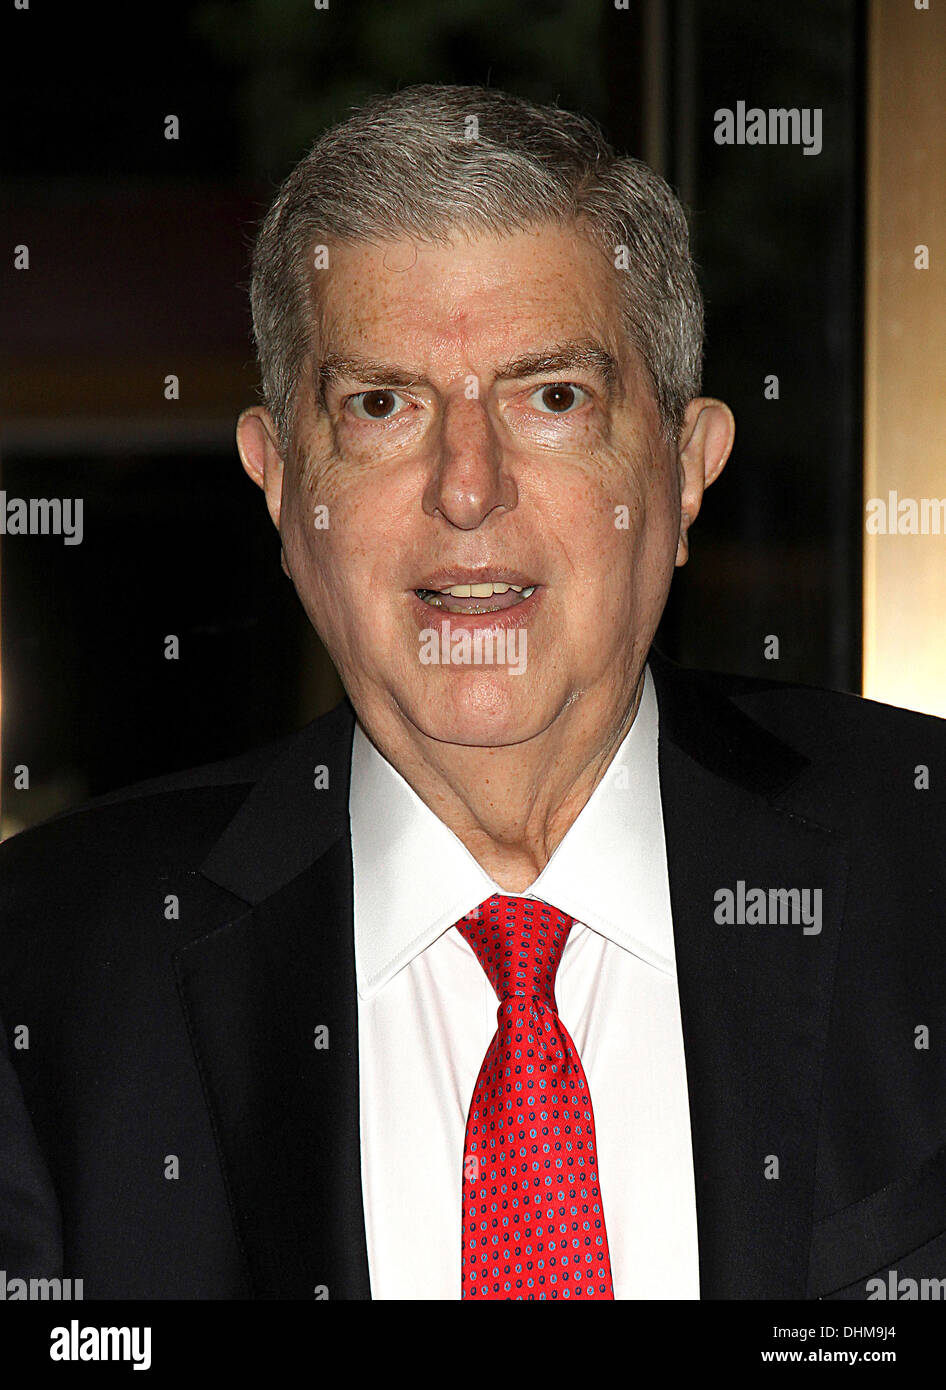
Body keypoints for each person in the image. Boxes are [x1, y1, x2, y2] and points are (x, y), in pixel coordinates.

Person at [1, 83, 944, 1301]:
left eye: (551, 397)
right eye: (382, 406)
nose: (466, 487)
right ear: (282, 486)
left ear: (687, 469)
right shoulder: (44, 979)